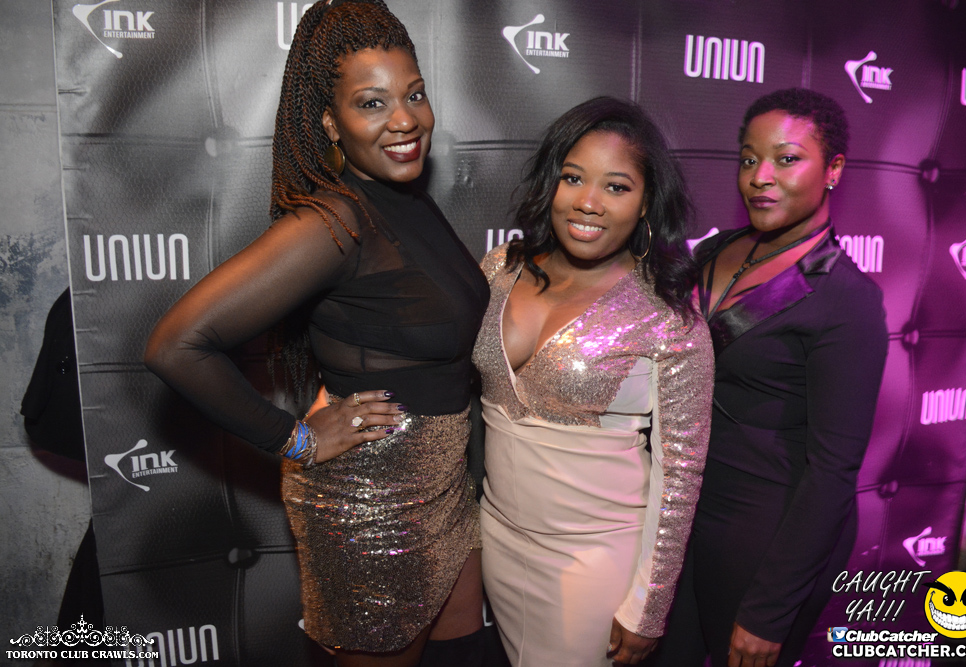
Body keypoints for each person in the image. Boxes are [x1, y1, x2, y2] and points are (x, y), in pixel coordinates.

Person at [144, 2, 489, 665]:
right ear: (330, 122)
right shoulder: (334, 221)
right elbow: (174, 344)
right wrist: (294, 438)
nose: (405, 120)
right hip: (373, 506)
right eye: (372, 103)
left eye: (414, 94)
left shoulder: (406, 196)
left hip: (446, 491)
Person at [473, 97, 714, 666]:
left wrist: (649, 605)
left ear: (646, 203)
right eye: (573, 177)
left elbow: (680, 475)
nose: (588, 202)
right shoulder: (501, 267)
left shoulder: (669, 319)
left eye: (616, 187)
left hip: (593, 560)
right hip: (497, 536)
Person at [659, 88, 889, 667]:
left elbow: (833, 470)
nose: (760, 177)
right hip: (682, 513)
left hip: (764, 535)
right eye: (748, 159)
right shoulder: (717, 249)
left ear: (834, 169)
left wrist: (769, 610)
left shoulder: (848, 299)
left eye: (787, 159)